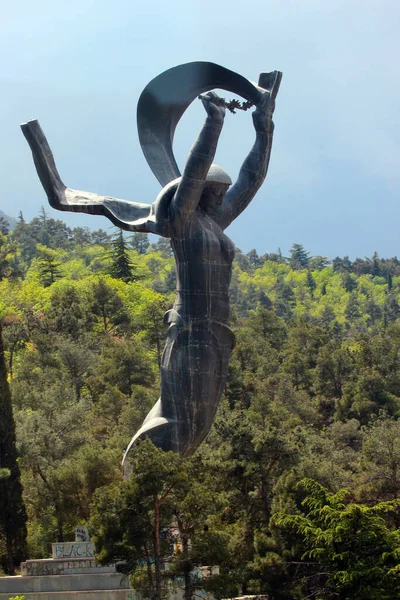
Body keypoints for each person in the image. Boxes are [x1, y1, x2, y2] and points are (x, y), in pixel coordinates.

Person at [21, 86, 276, 460]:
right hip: (191, 328)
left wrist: (263, 125)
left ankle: (157, 482)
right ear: (201, 192)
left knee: (199, 424)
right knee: (183, 420)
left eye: (222, 193)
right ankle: (146, 474)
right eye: (215, 191)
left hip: (217, 332)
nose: (224, 197)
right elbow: (191, 177)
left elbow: (252, 178)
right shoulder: (183, 220)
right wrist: (214, 122)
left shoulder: (213, 222)